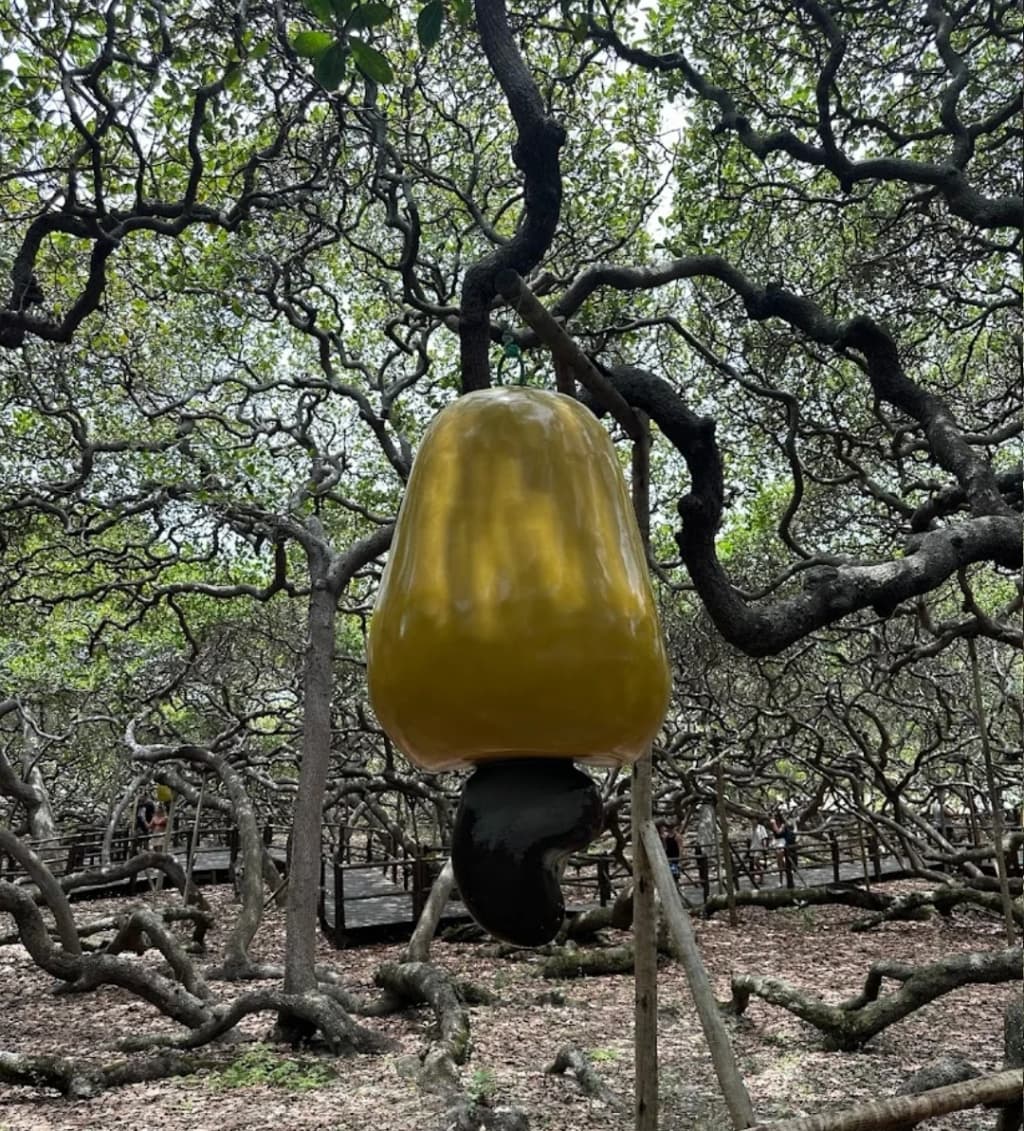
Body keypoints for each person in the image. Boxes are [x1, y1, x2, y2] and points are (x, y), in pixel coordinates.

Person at [749, 817, 770, 884]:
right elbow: (750, 838)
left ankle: (761, 875)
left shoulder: (761, 828)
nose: (753, 821)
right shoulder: (751, 828)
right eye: (752, 820)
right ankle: (757, 876)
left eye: (754, 820)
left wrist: (764, 846)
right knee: (753, 863)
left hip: (759, 847)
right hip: (752, 847)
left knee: (756, 861)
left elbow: (764, 837)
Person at [769, 810, 788, 883]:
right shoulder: (774, 824)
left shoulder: (783, 824)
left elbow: (778, 832)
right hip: (776, 842)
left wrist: (774, 824)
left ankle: (785, 876)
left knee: (781, 860)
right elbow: (774, 834)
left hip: (782, 841)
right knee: (779, 862)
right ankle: (781, 879)